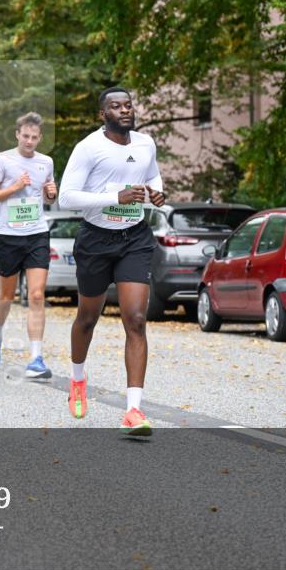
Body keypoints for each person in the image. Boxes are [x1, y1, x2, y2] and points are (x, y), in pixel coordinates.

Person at [57, 87, 166, 436]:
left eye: (128, 105)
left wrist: (156, 189)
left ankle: (133, 410)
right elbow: (66, 198)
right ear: (102, 114)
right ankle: (77, 380)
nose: (124, 110)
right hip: (96, 239)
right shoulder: (89, 147)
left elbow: (151, 174)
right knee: (88, 318)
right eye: (116, 106)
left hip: (134, 237)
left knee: (135, 318)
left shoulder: (145, 143)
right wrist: (114, 196)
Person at [0, 112, 57, 378]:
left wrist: (50, 194)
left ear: (40, 138)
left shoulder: (46, 162)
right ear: (17, 134)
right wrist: (14, 187)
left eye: (35, 137)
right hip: (8, 237)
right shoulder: (2, 160)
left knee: (36, 295)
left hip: (37, 233)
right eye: (26, 136)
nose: (30, 141)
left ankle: (36, 358)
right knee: (6, 296)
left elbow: (46, 198)